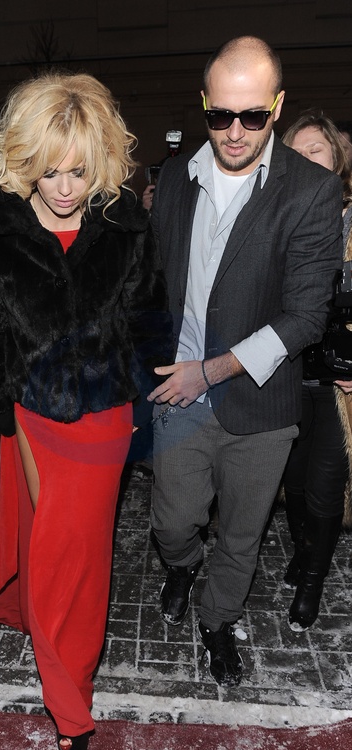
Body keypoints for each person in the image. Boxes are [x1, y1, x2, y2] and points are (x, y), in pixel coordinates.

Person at [0, 71, 170, 750]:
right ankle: (35, 622)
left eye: (79, 170)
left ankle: (69, 699)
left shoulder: (124, 224)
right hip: (32, 410)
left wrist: (142, 392)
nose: (65, 188)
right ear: (24, 160)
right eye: (48, 171)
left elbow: (149, 318)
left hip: (103, 415)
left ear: (100, 159)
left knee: (74, 558)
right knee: (42, 538)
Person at [146, 36, 343, 688]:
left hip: (261, 402)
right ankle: (181, 566)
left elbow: (305, 316)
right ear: (204, 103)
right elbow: (156, 281)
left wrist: (212, 369)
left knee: (241, 535)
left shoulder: (311, 190)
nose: (235, 131)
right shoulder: (176, 178)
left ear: (277, 106)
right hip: (179, 394)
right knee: (173, 523)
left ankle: (217, 619)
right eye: (220, 114)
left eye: (253, 115)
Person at [281, 109, 352, 631]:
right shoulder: (277, 220)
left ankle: (311, 581)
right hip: (286, 373)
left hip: (338, 384)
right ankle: (305, 549)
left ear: (336, 158)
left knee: (326, 484)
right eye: (296, 153)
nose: (306, 160)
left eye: (316, 150)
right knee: (295, 482)